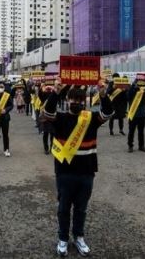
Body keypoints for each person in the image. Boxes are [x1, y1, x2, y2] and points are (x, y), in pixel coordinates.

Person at [42, 83, 113, 257]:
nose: (77, 102)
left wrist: (103, 94)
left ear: (85, 101)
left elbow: (108, 113)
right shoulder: (61, 118)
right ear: (67, 100)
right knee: (64, 209)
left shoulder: (91, 119)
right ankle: (63, 239)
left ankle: (79, 237)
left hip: (87, 172)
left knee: (81, 209)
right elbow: (48, 112)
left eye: (80, 99)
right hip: (65, 172)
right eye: (73, 98)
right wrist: (56, 92)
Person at [127, 80, 145, 153]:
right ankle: (130, 146)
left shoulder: (142, 91)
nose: (138, 85)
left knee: (141, 131)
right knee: (131, 131)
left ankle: (141, 146)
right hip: (133, 114)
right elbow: (128, 96)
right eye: (137, 83)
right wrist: (133, 87)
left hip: (142, 114)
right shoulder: (131, 90)